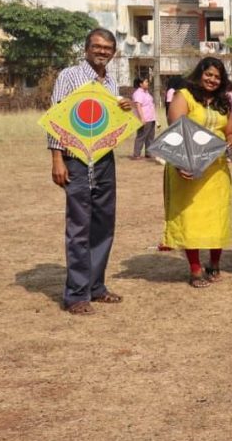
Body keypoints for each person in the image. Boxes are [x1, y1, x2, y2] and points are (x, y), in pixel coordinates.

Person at [48, 28, 133, 314]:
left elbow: (108, 120)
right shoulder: (69, 76)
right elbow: (56, 118)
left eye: (108, 48)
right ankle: (76, 295)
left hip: (104, 159)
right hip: (76, 160)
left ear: (113, 52)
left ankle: (96, 286)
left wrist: (125, 109)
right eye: (97, 46)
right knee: (79, 226)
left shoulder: (111, 81)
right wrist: (57, 159)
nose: (102, 51)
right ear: (86, 48)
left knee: (103, 224)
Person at [163, 57, 232, 288]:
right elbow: (176, 132)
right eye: (209, 74)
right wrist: (181, 164)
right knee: (191, 218)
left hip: (216, 170)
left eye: (217, 77)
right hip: (188, 168)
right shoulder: (184, 96)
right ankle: (195, 269)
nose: (212, 80)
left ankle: (214, 264)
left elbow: (230, 131)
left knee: (217, 217)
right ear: (199, 74)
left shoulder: (224, 102)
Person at [131, 76, 156, 160]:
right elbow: (138, 106)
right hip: (144, 118)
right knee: (141, 136)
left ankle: (149, 153)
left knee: (150, 137)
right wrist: (142, 118)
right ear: (140, 84)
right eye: (146, 82)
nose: (148, 83)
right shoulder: (138, 93)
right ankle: (136, 154)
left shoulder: (147, 93)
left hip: (151, 118)